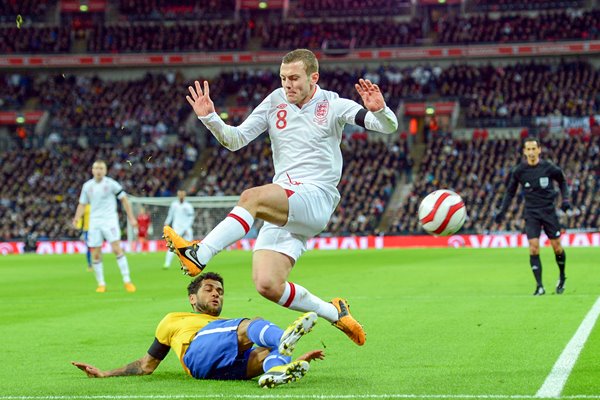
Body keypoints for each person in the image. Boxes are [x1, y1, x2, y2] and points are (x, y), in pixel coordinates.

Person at [164, 48, 399, 346]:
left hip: (316, 196)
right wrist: (210, 117)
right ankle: (335, 312)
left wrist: (380, 109)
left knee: (252, 197)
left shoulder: (335, 104)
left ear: (313, 78)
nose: (288, 85)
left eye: (294, 78)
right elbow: (235, 140)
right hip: (286, 199)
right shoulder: (275, 101)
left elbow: (387, 127)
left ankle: (199, 254)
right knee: (267, 284)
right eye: (283, 78)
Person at [72, 272, 323, 388]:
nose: (216, 294)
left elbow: (146, 368)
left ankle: (277, 368)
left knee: (267, 349)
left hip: (220, 368)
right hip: (197, 352)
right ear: (193, 299)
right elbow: (146, 365)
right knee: (253, 324)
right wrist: (106, 373)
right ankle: (284, 339)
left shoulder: (225, 325)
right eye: (209, 289)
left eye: (220, 292)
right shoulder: (174, 319)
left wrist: (294, 360)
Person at [494, 137, 571, 295]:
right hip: (531, 213)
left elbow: (562, 181)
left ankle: (562, 275)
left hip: (548, 212)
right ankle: (539, 286)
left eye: (533, 149)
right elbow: (510, 192)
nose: (531, 152)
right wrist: (502, 211)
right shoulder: (519, 171)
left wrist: (566, 200)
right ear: (524, 152)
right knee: (534, 248)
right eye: (528, 149)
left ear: (539, 150)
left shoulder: (548, 167)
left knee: (557, 247)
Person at [72, 160, 138, 293]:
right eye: (96, 168)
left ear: (105, 170)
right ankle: (101, 284)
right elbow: (82, 204)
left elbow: (124, 199)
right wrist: (76, 218)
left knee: (116, 249)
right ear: (92, 170)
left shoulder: (111, 184)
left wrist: (131, 217)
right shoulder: (87, 186)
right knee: (95, 254)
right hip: (94, 222)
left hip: (110, 221)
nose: (98, 171)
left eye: (101, 168)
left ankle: (127, 281)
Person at [163, 190, 195, 268]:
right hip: (176, 229)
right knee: (172, 246)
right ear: (178, 194)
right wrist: (166, 223)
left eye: (182, 194)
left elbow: (191, 218)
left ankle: (191, 264)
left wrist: (186, 228)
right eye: (179, 194)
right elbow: (170, 215)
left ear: (184, 195)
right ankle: (167, 263)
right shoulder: (174, 205)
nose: (181, 195)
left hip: (186, 229)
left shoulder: (188, 206)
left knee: (189, 247)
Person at [75, 204, 93, 271]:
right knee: (88, 247)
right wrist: (78, 225)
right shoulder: (85, 206)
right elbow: (80, 216)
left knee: (96, 247)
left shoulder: (96, 204)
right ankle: (90, 265)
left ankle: (97, 263)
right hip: (87, 230)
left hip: (96, 229)